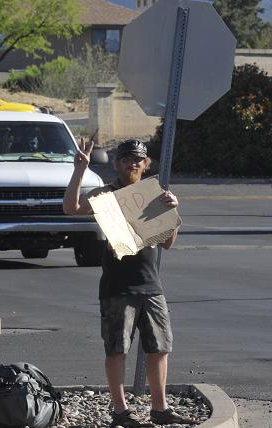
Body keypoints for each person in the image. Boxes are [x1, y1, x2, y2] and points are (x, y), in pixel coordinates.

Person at [63, 139, 194, 427]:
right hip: (117, 287)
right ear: (116, 163)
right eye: (126, 159)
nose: (132, 164)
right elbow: (71, 208)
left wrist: (173, 211)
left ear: (146, 164)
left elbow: (168, 243)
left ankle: (159, 409)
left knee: (159, 347)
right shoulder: (106, 194)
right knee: (117, 349)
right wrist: (79, 170)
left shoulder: (152, 194)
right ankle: (121, 412)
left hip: (151, 284)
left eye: (138, 160)